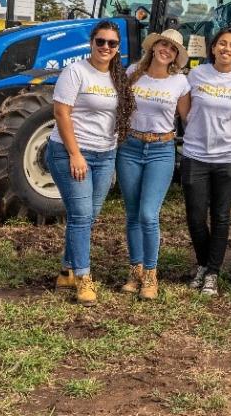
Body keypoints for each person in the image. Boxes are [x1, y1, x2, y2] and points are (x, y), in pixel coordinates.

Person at [49, 21, 134, 305]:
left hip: (105, 153)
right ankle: (84, 279)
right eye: (101, 42)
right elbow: (61, 113)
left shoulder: (118, 76)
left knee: (89, 215)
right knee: (81, 216)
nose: (105, 48)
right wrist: (75, 154)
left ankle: (66, 271)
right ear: (91, 43)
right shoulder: (76, 72)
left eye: (111, 43)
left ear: (118, 47)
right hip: (72, 152)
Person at [118, 29, 191, 300]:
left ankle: (151, 273)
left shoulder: (179, 83)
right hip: (131, 147)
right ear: (154, 46)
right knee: (133, 213)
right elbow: (118, 107)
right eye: (163, 44)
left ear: (175, 56)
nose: (166, 50)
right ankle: (135, 270)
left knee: (149, 214)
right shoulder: (133, 72)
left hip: (161, 149)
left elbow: (189, 118)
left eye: (172, 49)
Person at [181, 28, 231, 297]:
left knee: (221, 216)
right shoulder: (197, 74)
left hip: (229, 157)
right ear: (213, 48)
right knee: (196, 217)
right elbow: (185, 111)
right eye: (222, 44)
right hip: (196, 154)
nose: (227, 49)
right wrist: (196, 128)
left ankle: (212, 272)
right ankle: (202, 263)